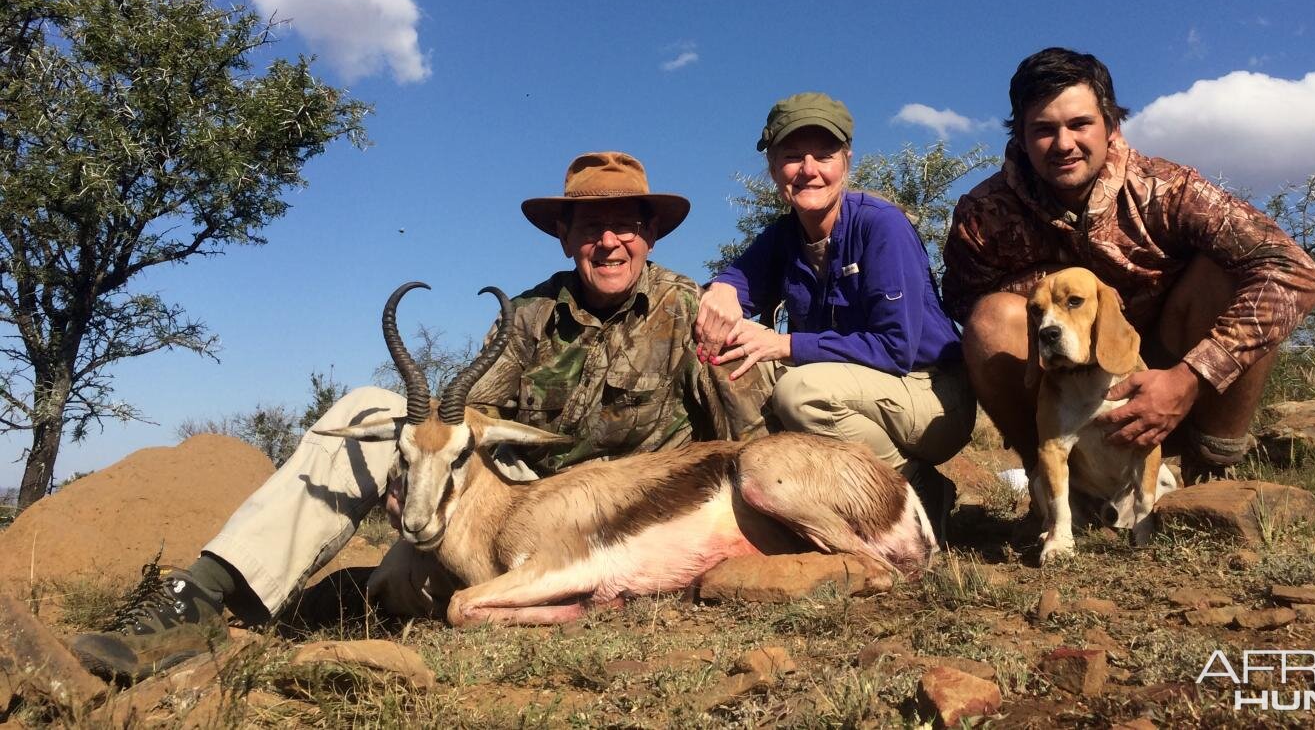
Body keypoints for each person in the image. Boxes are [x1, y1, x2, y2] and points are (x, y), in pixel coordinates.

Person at [73, 151, 768, 682]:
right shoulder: (527, 316)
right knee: (376, 408)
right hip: (517, 516)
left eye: (625, 224)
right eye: (591, 224)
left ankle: (345, 593)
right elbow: (466, 414)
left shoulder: (690, 310)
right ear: (565, 236)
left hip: (621, 517)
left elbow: (749, 439)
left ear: (649, 233)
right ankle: (197, 599)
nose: (609, 240)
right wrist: (424, 464)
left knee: (400, 587)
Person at [943, 48, 1315, 481]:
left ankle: (1211, 467)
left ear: (1111, 124)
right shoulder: (983, 213)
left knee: (1232, 273)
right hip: (1064, 387)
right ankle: (1053, 485)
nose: (1064, 144)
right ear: (1021, 138)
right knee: (990, 318)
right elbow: (961, 303)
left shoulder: (1169, 189)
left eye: (1079, 124)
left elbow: (1296, 272)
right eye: (1044, 130)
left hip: (1174, 375)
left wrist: (1189, 376)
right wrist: (1051, 304)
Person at [694, 92, 976, 532]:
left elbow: (897, 349)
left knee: (800, 392)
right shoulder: (783, 236)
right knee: (736, 359)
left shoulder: (882, 225)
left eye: (824, 155)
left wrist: (787, 343)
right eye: (792, 157)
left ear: (846, 161)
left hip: (932, 392)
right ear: (772, 169)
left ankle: (914, 492)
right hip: (860, 391)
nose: (809, 170)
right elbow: (737, 279)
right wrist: (724, 290)